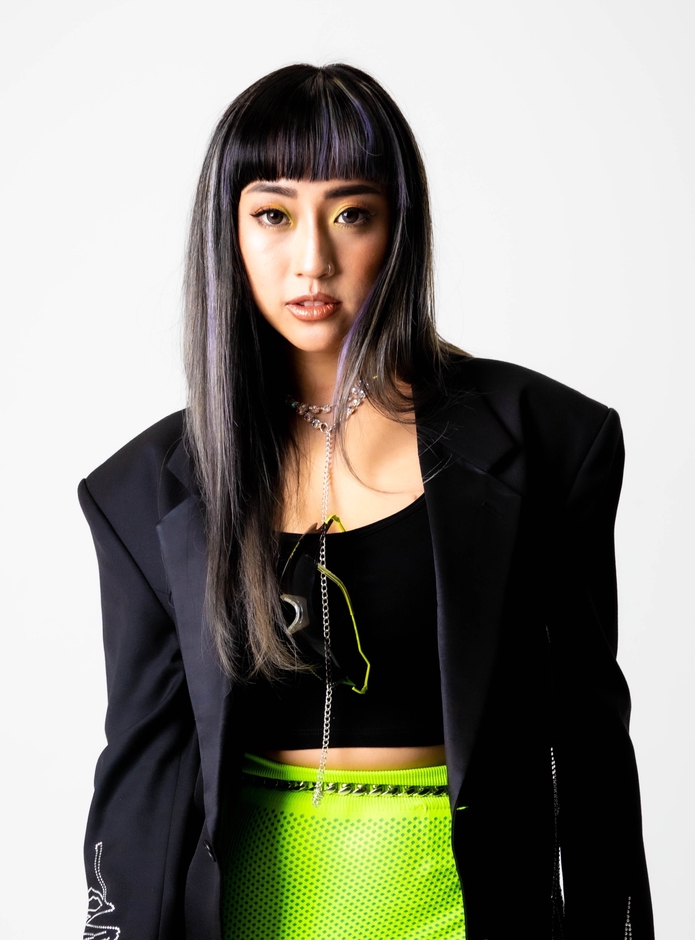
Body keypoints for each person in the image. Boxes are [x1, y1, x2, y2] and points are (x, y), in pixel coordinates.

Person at [78, 64, 653, 940]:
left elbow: (588, 744)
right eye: (273, 215)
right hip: (247, 911)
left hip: (465, 907)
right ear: (227, 232)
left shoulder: (549, 443)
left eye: (351, 214)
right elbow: (142, 778)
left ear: (399, 229)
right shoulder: (143, 487)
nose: (312, 259)